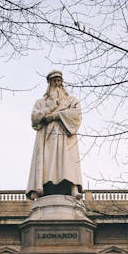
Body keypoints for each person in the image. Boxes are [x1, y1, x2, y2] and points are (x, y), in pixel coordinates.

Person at [26, 70, 83, 200]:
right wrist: (50, 109)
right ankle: (43, 189)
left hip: (65, 135)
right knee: (48, 163)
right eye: (54, 81)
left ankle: (73, 188)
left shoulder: (71, 100)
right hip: (47, 138)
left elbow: (77, 115)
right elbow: (34, 118)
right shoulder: (41, 102)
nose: (57, 83)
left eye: (59, 80)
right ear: (49, 83)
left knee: (68, 162)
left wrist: (57, 115)